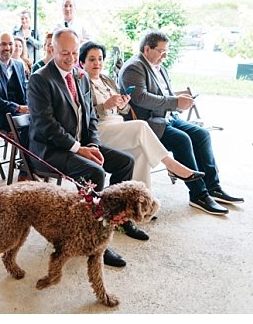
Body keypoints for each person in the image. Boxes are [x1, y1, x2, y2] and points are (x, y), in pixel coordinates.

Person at [28, 28, 136, 267]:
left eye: (75, 52)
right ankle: (94, 238)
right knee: (94, 172)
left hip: (80, 144)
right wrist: (79, 149)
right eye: (64, 52)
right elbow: (47, 126)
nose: (71, 57)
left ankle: (115, 218)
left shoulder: (81, 76)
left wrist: (93, 145)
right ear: (52, 49)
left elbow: (91, 118)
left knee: (126, 162)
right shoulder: (40, 79)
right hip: (49, 150)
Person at [79, 42, 203, 240]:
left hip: (117, 124)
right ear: (82, 62)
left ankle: (141, 205)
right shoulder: (81, 82)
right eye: (92, 59)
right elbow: (83, 116)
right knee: (140, 125)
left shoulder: (107, 80)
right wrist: (105, 106)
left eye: (100, 59)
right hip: (99, 130)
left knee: (141, 153)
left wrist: (122, 104)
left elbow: (124, 111)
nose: (97, 63)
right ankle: (171, 165)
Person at [119, 31, 243, 215]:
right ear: (147, 49)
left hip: (168, 117)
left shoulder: (158, 65)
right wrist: (175, 102)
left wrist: (179, 99)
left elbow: (163, 94)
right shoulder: (134, 67)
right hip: (148, 123)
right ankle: (198, 194)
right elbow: (140, 98)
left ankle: (213, 186)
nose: (165, 55)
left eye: (166, 51)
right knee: (182, 140)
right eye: (161, 51)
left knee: (202, 135)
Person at [0, 33, 30, 138]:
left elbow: (24, 92)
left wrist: (29, 107)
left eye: (10, 44)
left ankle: (27, 152)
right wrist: (18, 108)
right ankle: (25, 152)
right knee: (30, 126)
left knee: (40, 120)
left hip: (19, 113)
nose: (7, 48)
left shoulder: (19, 65)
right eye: (3, 44)